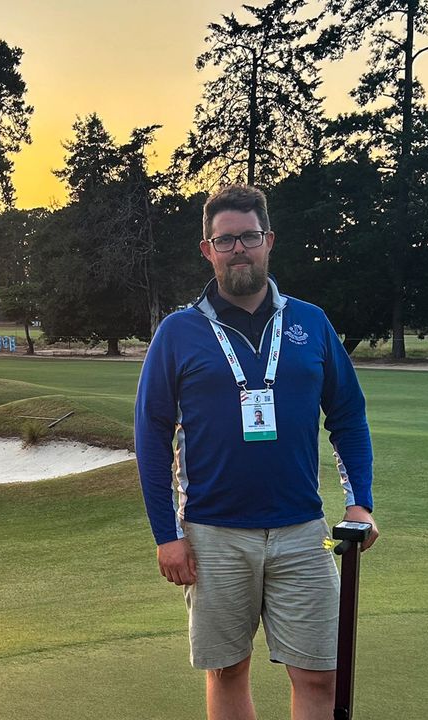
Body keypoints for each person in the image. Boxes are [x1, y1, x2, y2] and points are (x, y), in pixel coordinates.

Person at [134, 185, 378, 720]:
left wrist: (360, 503)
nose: (238, 249)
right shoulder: (178, 332)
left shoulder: (310, 323)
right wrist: (166, 537)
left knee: (320, 673)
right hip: (213, 533)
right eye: (226, 240)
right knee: (228, 671)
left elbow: (348, 417)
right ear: (208, 249)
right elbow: (151, 439)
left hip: (300, 530)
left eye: (248, 237)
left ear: (268, 241)